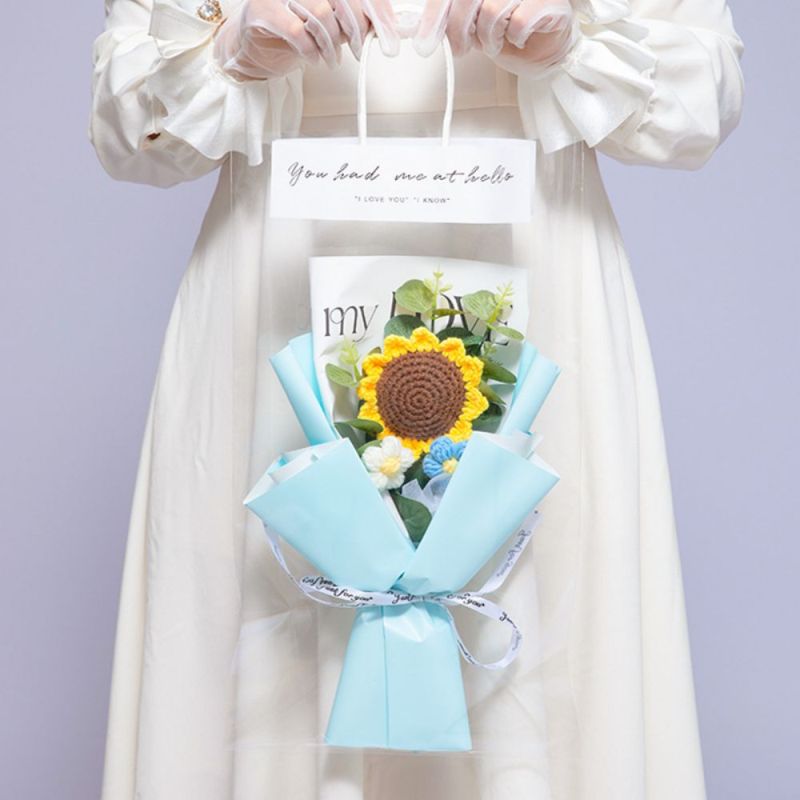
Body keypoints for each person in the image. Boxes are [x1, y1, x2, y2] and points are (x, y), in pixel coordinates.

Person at [91, 1, 743, 798]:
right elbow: (127, 129)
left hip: (531, 260)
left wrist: (571, 41)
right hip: (283, 281)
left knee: (547, 626)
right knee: (271, 633)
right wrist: (228, 52)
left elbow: (700, 100)